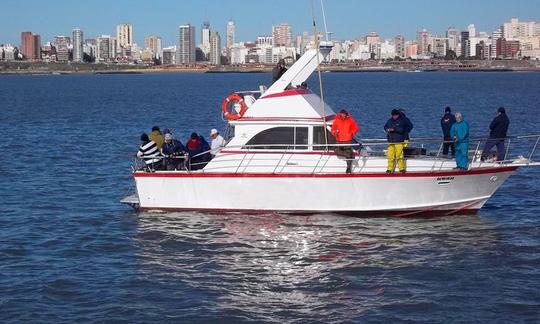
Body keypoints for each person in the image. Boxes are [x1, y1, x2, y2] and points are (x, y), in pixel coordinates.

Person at [331, 109, 359, 174]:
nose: (343, 115)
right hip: (339, 140)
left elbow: (356, 128)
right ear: (340, 114)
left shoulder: (351, 120)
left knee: (348, 153)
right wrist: (334, 132)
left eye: (344, 114)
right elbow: (333, 129)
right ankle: (348, 154)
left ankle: (348, 169)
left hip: (347, 140)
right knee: (336, 150)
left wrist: (351, 133)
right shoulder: (336, 121)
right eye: (342, 114)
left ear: (346, 114)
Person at [384, 109, 407, 173]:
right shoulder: (389, 121)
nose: (394, 116)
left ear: (398, 115)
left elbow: (402, 130)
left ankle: (401, 168)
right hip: (391, 141)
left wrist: (394, 129)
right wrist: (387, 129)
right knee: (390, 156)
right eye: (393, 115)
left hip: (399, 141)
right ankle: (389, 169)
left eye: (395, 115)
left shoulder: (402, 121)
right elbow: (385, 126)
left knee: (400, 155)